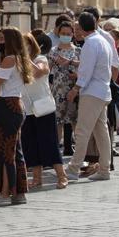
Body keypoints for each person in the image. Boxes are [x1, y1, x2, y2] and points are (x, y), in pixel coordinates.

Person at [65, 12, 113, 182]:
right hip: (102, 91)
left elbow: (86, 71)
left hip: (92, 92)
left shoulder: (91, 44)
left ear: (83, 28)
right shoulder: (102, 41)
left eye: (77, 28)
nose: (75, 31)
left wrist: (75, 89)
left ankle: (73, 168)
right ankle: (104, 168)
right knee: (101, 131)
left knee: (82, 131)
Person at [0, 27, 32, 205]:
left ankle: (5, 193)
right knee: (15, 150)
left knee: (5, 151)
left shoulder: (9, 59)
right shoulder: (21, 59)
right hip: (17, 104)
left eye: (2, 38)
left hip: (6, 105)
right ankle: (19, 192)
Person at [21, 33, 69, 190]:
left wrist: (25, 58)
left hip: (43, 107)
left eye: (25, 44)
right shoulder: (16, 63)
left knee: (49, 142)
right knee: (31, 143)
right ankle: (36, 178)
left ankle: (62, 176)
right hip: (27, 108)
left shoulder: (40, 59)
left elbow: (39, 72)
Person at [47, 21, 80, 156]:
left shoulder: (78, 50)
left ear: (72, 34)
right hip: (57, 89)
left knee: (73, 118)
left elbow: (85, 68)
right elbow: (47, 69)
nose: (65, 36)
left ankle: (72, 146)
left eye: (68, 34)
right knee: (58, 119)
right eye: (63, 33)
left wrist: (75, 71)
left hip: (74, 88)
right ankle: (56, 149)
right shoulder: (53, 51)